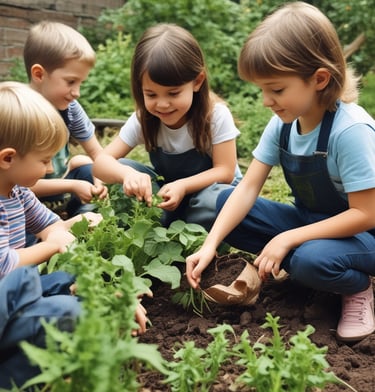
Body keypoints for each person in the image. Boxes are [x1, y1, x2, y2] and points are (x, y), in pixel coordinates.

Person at [186, 1, 375, 343]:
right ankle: (304, 261)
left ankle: (357, 287)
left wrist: (286, 238)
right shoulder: (283, 124)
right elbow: (247, 188)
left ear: (319, 78)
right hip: (313, 225)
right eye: (262, 89)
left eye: (276, 89)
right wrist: (210, 244)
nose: (266, 100)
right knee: (228, 204)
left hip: (365, 236)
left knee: (308, 260)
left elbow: (366, 213)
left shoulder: (350, 131)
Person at [0, 82, 147, 389]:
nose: (50, 168)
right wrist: (53, 246)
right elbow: (7, 264)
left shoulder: (17, 193)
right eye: (43, 161)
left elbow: (53, 228)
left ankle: (79, 330)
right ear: (8, 158)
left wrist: (105, 288)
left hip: (11, 300)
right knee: (63, 308)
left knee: (67, 282)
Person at [93, 23, 242, 230]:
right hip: (169, 196)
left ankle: (198, 236)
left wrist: (183, 185)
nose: (162, 104)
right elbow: (101, 162)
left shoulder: (215, 116)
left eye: (173, 93)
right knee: (124, 169)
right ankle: (155, 231)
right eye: (151, 94)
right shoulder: (143, 119)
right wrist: (127, 175)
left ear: (197, 82)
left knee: (215, 200)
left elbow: (225, 171)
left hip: (208, 194)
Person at [23, 20, 108, 219]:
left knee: (87, 167)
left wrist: (99, 181)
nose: (77, 92)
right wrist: (72, 185)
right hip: (26, 196)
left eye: (80, 83)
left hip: (59, 191)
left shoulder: (69, 108)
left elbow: (99, 154)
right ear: (39, 74)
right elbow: (15, 186)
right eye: (71, 82)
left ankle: (82, 219)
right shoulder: (20, 114)